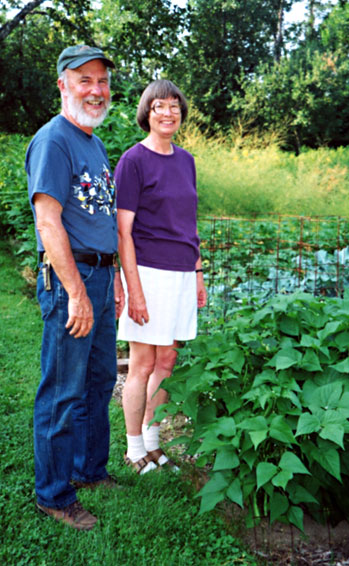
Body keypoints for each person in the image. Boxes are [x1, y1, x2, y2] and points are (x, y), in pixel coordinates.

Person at [25, 45, 124, 531]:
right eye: (84, 79)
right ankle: (54, 493)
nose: (96, 89)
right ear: (62, 83)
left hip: (102, 276)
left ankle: (89, 469)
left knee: (100, 379)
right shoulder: (53, 140)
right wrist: (77, 293)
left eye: (102, 80)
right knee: (63, 391)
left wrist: (115, 280)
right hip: (74, 280)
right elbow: (48, 221)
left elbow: (100, 216)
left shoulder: (94, 143)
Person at [115, 79, 207, 475]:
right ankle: (134, 449)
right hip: (148, 273)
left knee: (167, 360)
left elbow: (190, 223)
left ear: (181, 113)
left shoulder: (186, 160)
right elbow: (123, 232)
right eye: (158, 107)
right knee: (142, 363)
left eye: (174, 106)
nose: (167, 113)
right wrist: (133, 289)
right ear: (146, 114)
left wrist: (199, 273)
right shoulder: (132, 161)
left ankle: (153, 442)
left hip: (183, 272)